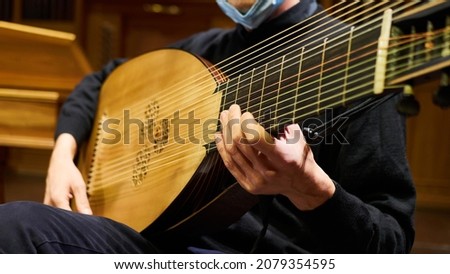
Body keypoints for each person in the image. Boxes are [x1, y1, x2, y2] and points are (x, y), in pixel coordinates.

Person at [0, 0, 415, 253]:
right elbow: (100, 80)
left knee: (19, 228)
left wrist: (310, 189)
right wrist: (63, 152)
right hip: (155, 243)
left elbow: (390, 243)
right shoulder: (206, 49)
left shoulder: (353, 59)